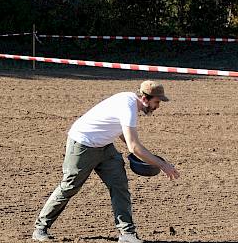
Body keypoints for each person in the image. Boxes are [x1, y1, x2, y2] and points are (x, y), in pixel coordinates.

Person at [31, 80, 180, 243]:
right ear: (145, 98)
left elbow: (123, 133)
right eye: (156, 102)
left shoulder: (130, 101)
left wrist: (142, 153)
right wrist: (162, 164)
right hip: (83, 144)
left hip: (104, 147)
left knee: (119, 185)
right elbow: (134, 147)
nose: (158, 106)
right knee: (69, 186)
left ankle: (127, 233)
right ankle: (40, 228)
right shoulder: (128, 105)